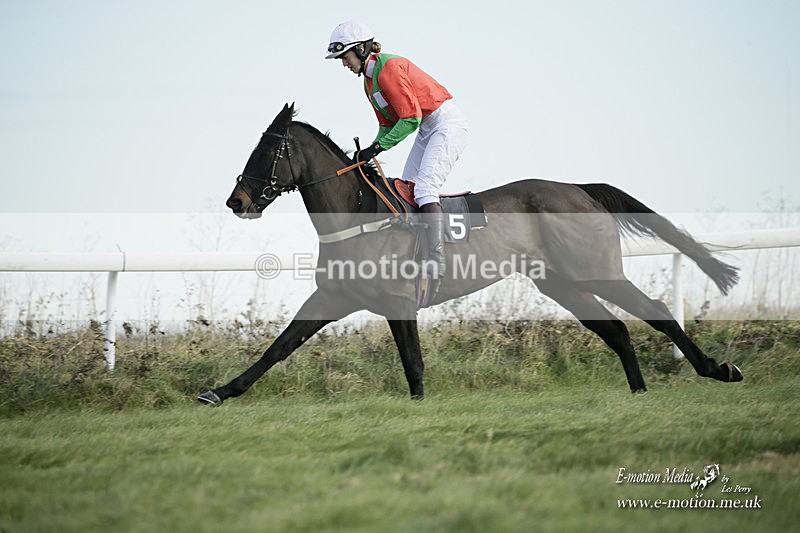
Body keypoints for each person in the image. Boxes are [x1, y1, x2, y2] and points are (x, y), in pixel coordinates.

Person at [325, 21, 469, 287]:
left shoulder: (388, 68)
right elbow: (387, 125)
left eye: (344, 57)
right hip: (427, 127)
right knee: (407, 188)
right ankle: (415, 250)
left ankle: (436, 260)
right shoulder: (369, 82)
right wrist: (368, 151)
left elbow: (410, 118)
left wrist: (377, 148)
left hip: (445, 124)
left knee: (425, 190)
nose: (343, 64)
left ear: (360, 48)